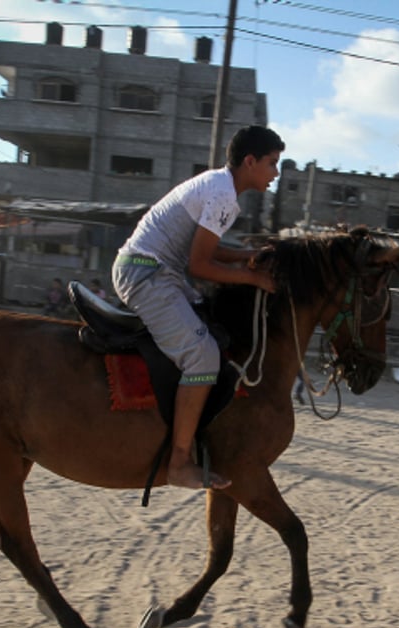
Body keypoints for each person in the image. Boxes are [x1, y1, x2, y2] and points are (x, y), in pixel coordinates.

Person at [111, 125, 283, 490]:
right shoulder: (222, 195)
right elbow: (200, 266)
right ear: (250, 162)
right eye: (272, 163)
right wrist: (254, 279)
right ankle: (177, 463)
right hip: (147, 275)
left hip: (160, 273)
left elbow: (207, 249)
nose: (276, 174)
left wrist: (247, 256)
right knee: (202, 356)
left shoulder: (218, 188)